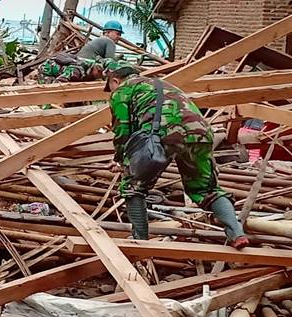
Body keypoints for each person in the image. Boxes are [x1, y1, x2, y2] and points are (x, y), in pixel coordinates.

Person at [104, 60, 250, 250]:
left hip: (165, 135)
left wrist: (121, 161)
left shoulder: (122, 91)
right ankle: (236, 233)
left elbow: (123, 130)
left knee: (133, 188)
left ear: (114, 80)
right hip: (201, 133)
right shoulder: (163, 84)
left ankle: (140, 241)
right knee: (206, 189)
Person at [38, 54, 104, 84]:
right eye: (100, 73)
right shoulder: (76, 71)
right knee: (46, 95)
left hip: (61, 71)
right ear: (96, 68)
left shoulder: (93, 68)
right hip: (47, 70)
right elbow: (58, 82)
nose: (101, 76)